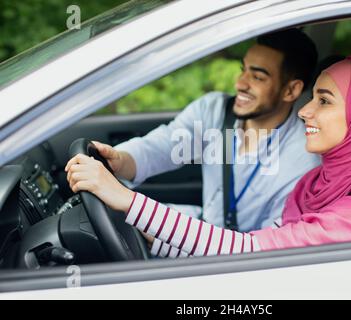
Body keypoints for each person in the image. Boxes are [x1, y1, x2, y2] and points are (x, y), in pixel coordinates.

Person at [66, 56, 351, 257]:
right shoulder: (324, 183)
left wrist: (128, 202)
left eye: (323, 101)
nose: (304, 112)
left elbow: (248, 252)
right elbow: (260, 253)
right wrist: (155, 240)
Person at [85, 28, 320, 240]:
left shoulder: (302, 163)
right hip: (201, 223)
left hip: (235, 258)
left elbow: (267, 248)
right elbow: (161, 147)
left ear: (291, 90)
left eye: (257, 77)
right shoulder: (214, 111)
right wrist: (120, 160)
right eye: (243, 70)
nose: (240, 83)